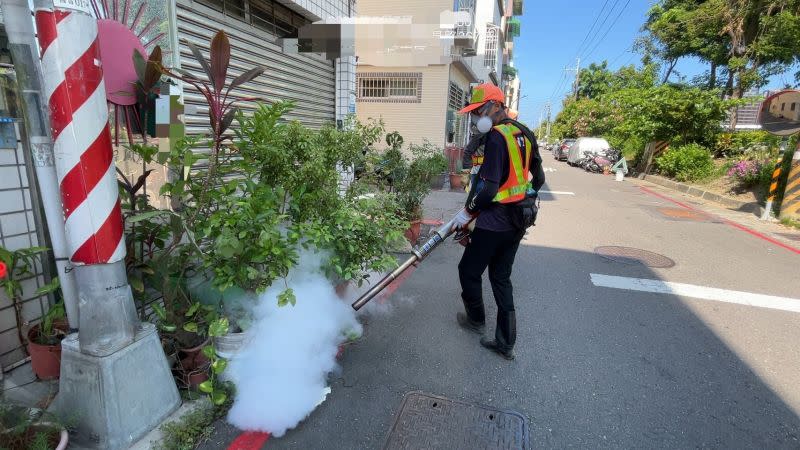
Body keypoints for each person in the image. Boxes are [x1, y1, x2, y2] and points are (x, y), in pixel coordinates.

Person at [450, 83, 545, 361]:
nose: (477, 115)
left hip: (493, 223)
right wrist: (523, 198)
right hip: (519, 220)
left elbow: (489, 189)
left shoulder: (496, 137)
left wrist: (467, 213)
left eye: (479, 109)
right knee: (501, 278)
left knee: (468, 270)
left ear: (495, 106)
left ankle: (476, 319)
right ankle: (506, 342)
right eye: (475, 111)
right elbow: (537, 180)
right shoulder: (524, 133)